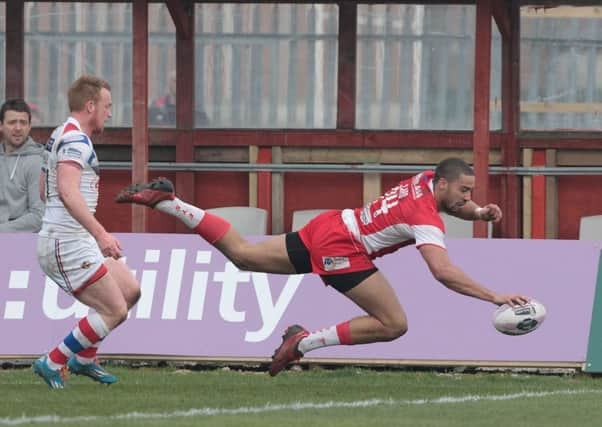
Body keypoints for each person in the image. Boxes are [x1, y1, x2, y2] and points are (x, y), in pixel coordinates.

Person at [115, 157, 528, 377]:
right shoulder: (426, 215)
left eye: (471, 191)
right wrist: (495, 297)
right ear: (441, 184)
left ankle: (168, 202)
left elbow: (451, 202)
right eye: (464, 190)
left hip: (332, 223)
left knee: (242, 254)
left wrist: (478, 214)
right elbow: (442, 271)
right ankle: (304, 343)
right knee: (393, 324)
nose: (468, 196)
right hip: (344, 249)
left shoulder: (425, 180)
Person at [33, 75, 141, 389]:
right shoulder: (75, 141)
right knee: (115, 309)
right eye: (107, 106)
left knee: (130, 291)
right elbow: (67, 192)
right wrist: (100, 234)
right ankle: (52, 361)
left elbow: (44, 190)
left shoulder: (60, 134)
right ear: (90, 105)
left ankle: (83, 359)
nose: (110, 113)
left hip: (73, 237)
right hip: (66, 242)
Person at [0, 99, 46, 232]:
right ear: (1, 125)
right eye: (12, 122)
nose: (18, 128)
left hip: (22, 241)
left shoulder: (36, 162)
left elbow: (39, 216)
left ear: (29, 126)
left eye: (23, 123)